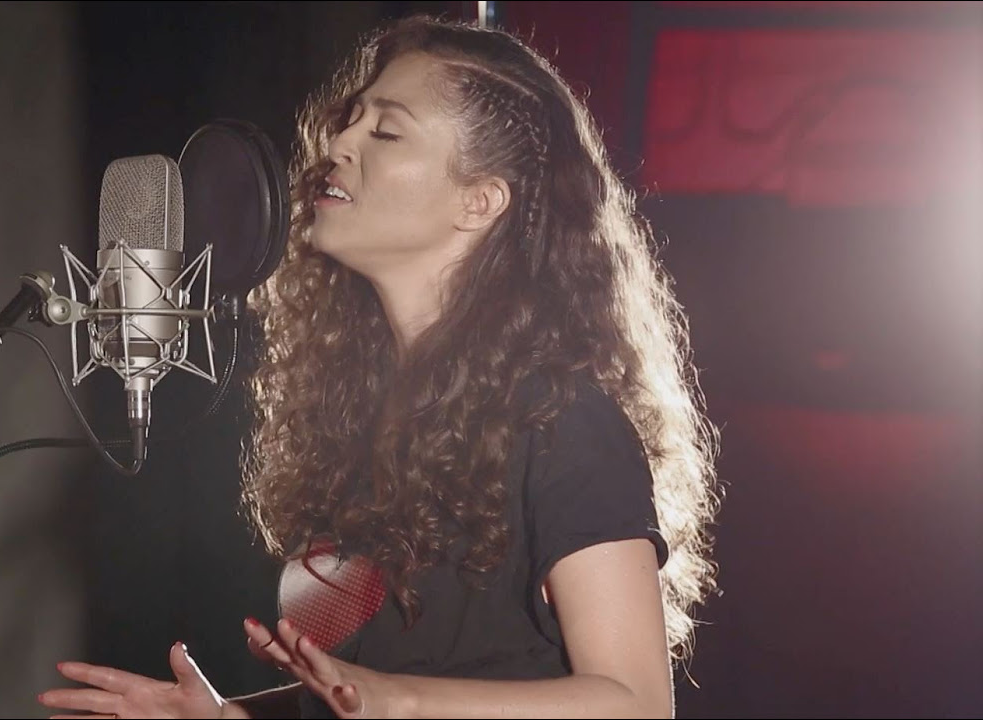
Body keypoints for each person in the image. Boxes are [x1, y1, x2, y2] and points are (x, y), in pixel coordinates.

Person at [39, 14, 720, 719]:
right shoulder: (359, 417)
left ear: (480, 201)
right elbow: (366, 689)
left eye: (386, 132)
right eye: (350, 120)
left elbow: (635, 702)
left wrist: (396, 701)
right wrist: (229, 717)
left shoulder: (563, 420)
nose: (339, 143)